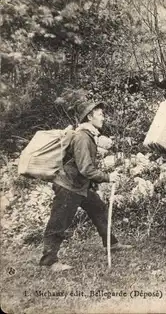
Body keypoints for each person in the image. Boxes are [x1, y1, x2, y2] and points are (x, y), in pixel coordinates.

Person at [40, 99, 132, 272]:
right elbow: (85, 168)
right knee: (59, 221)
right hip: (69, 185)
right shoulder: (82, 137)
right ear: (90, 116)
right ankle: (49, 261)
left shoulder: (89, 135)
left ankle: (111, 244)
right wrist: (107, 177)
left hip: (79, 185)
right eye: (100, 114)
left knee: (98, 208)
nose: (103, 117)